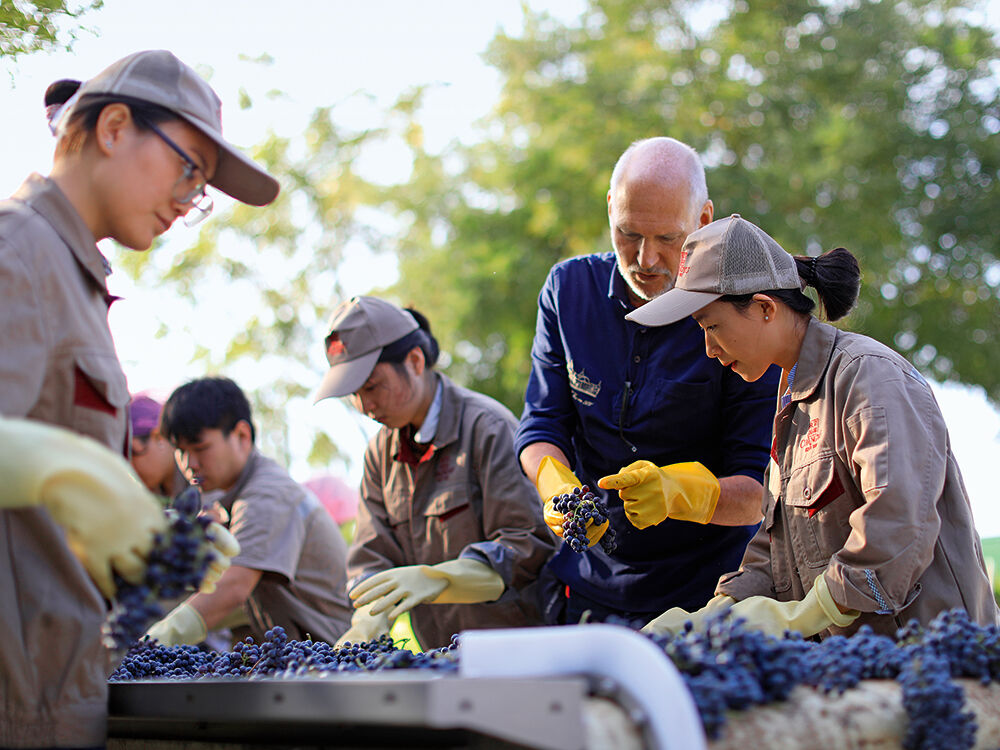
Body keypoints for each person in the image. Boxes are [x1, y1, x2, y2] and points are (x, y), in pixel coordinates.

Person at [0, 49, 276, 747]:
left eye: (203, 188)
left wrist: (147, 542)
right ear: (114, 127)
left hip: (54, 690)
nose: (190, 202)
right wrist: (71, 470)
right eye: (190, 167)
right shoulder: (17, 249)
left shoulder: (75, 278)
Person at [630, 214, 1000, 637]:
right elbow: (777, 545)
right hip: (856, 674)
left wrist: (807, 613)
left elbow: (899, 529)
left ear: (765, 307)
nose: (710, 350)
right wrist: (720, 613)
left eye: (713, 327)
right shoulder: (791, 399)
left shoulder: (868, 377)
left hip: (936, 667)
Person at [516, 137, 780, 625]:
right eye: (628, 234)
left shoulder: (744, 315)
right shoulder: (567, 290)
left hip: (708, 597)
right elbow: (541, 426)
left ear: (704, 220)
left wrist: (686, 493)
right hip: (588, 585)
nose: (646, 259)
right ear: (610, 207)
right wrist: (554, 484)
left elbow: (759, 493)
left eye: (667, 239)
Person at [315, 296, 555, 650]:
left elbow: (527, 544)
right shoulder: (379, 455)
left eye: (371, 387)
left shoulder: (487, 428)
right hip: (438, 658)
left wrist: (441, 579)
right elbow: (371, 559)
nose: (364, 406)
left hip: (516, 651)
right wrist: (367, 622)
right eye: (353, 394)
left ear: (414, 361)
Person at [146, 376, 353, 646]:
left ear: (242, 435)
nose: (189, 463)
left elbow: (234, 586)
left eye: (200, 448)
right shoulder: (231, 500)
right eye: (180, 451)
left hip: (334, 658)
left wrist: (153, 643)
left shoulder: (268, 494)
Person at [129, 392, 190, 498]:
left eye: (133, 453)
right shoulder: (147, 494)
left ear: (158, 436)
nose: (131, 466)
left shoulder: (205, 483)